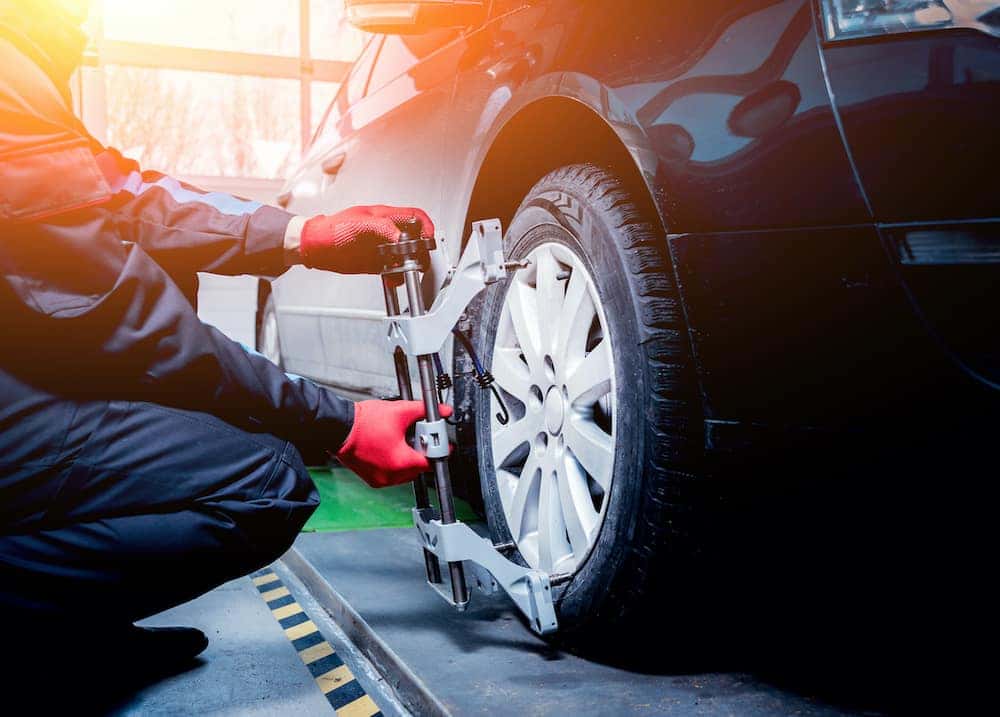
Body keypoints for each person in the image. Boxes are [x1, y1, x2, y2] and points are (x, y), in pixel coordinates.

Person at [0, 0, 446, 670]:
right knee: (265, 484)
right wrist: (340, 423)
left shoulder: (25, 72)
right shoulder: (10, 74)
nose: (86, 22)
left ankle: (65, 620)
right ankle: (39, 636)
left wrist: (302, 235)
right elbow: (141, 328)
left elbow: (130, 196)